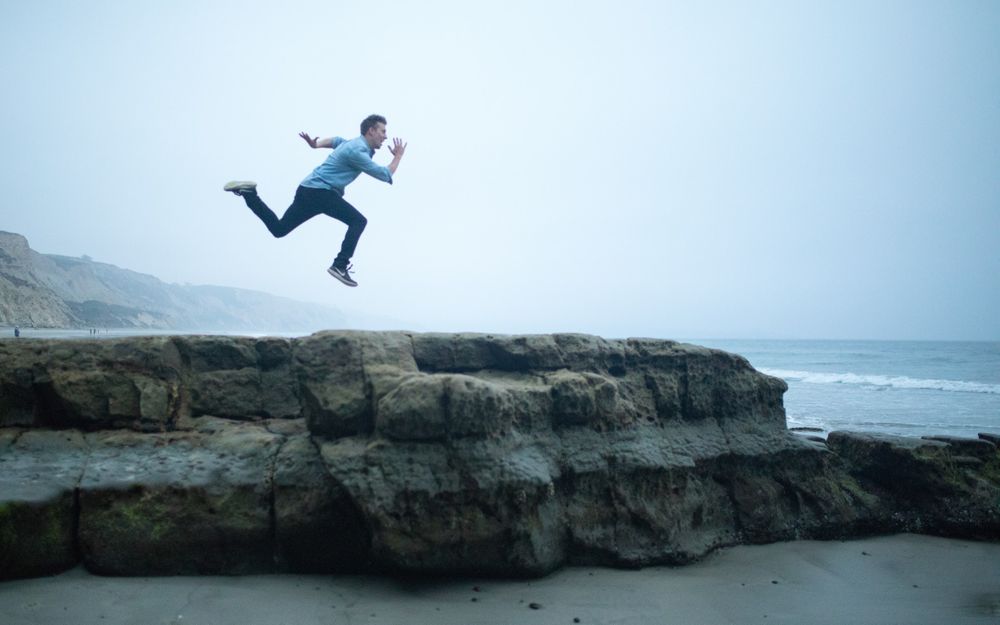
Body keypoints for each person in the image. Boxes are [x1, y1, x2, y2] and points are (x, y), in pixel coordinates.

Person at [224, 114, 406, 287]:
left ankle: (249, 193)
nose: (385, 136)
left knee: (279, 229)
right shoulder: (357, 150)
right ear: (371, 131)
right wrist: (398, 156)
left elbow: (336, 140)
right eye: (382, 131)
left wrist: (316, 144)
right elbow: (384, 174)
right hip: (322, 193)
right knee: (358, 221)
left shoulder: (351, 144)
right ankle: (339, 265)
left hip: (308, 190)